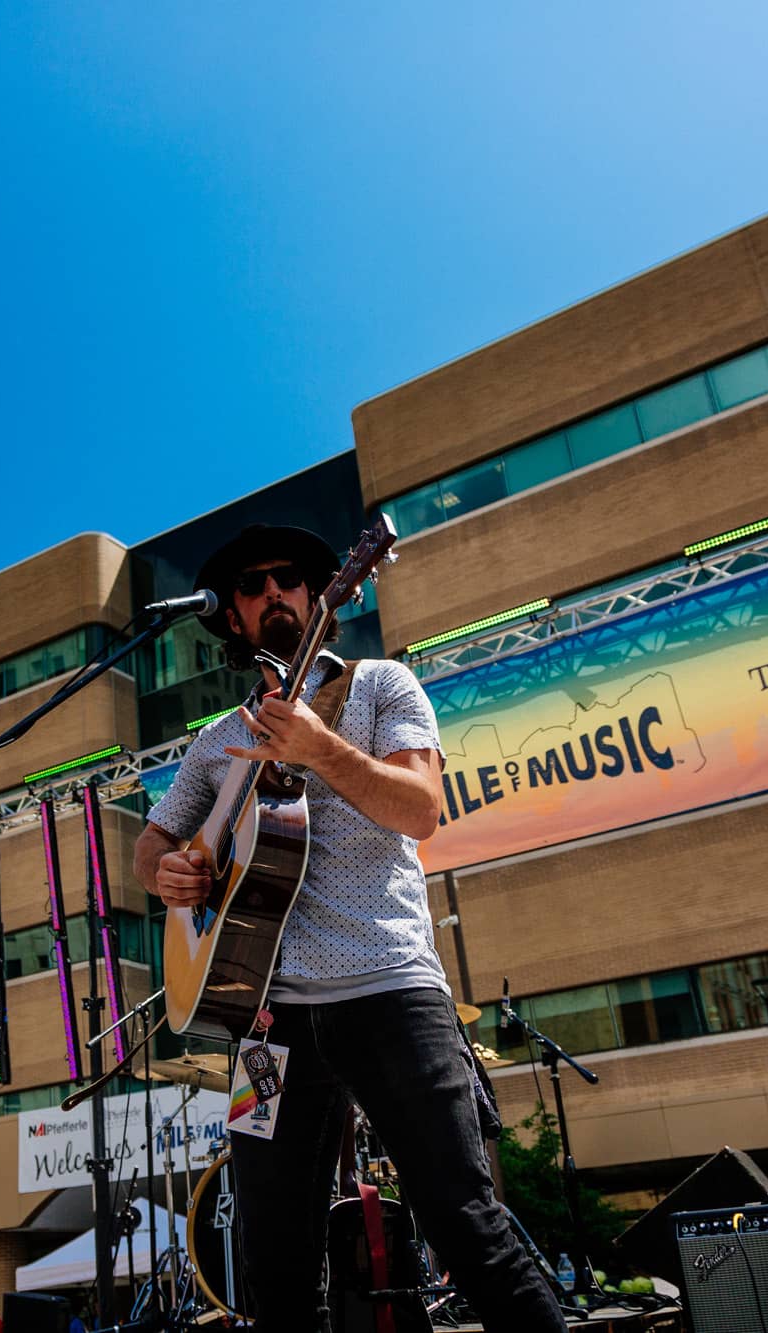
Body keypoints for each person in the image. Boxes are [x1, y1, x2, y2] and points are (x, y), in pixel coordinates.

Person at [136, 523, 568, 1333]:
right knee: (272, 1265)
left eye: (288, 577)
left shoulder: (383, 686)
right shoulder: (216, 741)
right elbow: (153, 840)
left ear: (320, 594)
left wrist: (322, 749)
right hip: (266, 1021)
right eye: (252, 584)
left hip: (391, 989)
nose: (273, 590)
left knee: (467, 1224)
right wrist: (166, 872)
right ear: (231, 615)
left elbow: (421, 808)